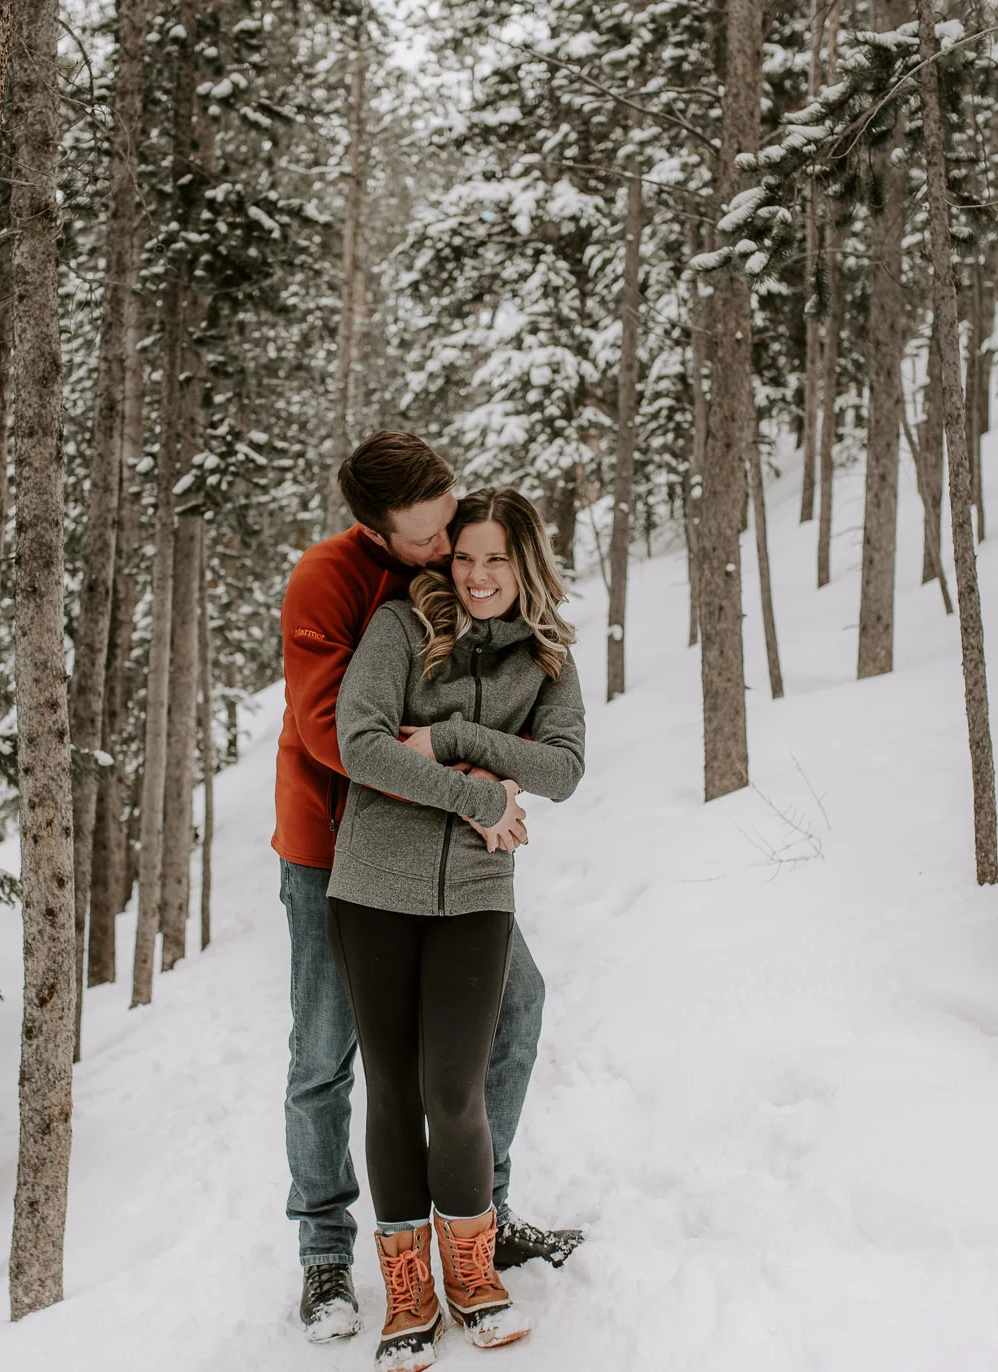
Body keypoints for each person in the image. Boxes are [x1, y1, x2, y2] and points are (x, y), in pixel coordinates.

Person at [275, 434, 582, 1345]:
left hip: (464, 865)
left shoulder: (492, 599)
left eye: (461, 532)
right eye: (435, 541)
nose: (453, 555)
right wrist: (474, 793)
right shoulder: (339, 587)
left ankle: (480, 1211)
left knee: (512, 1012)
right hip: (336, 844)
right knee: (327, 1055)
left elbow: (560, 761)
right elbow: (339, 736)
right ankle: (327, 1253)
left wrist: (458, 751)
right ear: (379, 533)